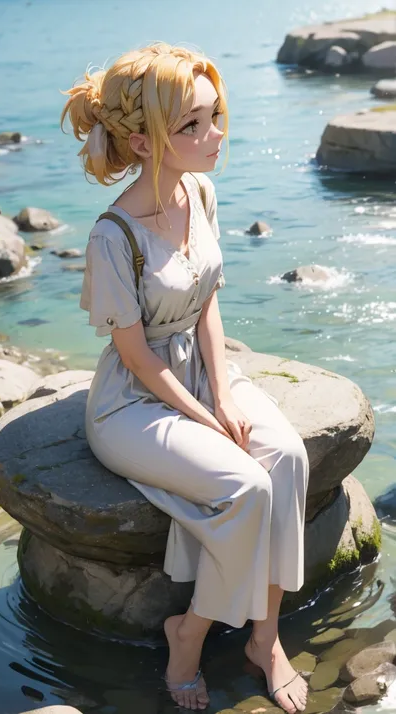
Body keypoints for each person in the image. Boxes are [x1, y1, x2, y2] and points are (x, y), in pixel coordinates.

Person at [61, 42, 309, 713]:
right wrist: (207, 421)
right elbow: (137, 357)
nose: (215, 135)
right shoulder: (112, 235)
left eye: (215, 116)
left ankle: (266, 636)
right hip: (134, 403)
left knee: (285, 456)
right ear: (142, 143)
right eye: (193, 125)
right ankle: (188, 635)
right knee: (245, 485)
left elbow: (207, 298)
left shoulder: (201, 189)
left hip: (203, 373)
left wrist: (224, 389)